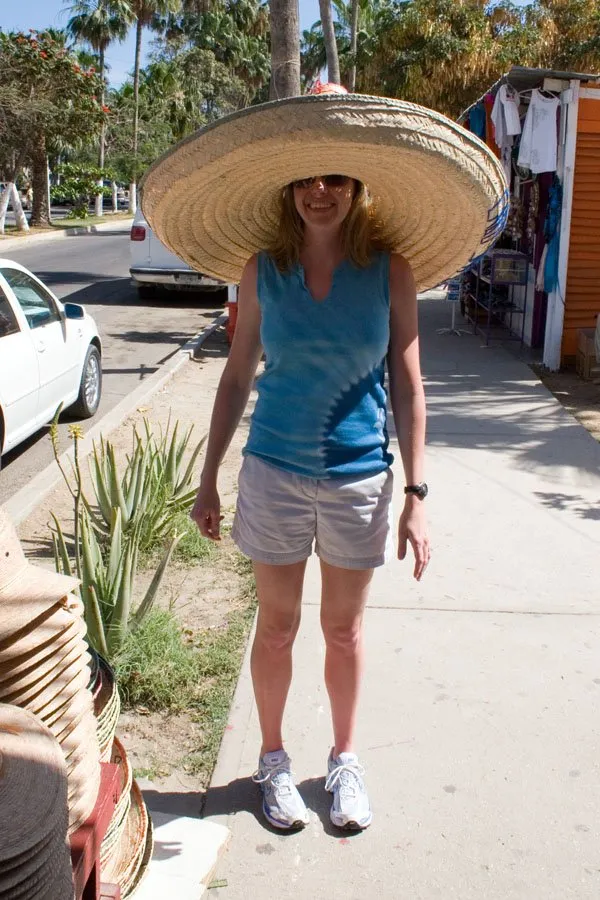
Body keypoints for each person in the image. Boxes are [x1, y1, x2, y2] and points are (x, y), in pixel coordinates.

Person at [140, 88, 507, 834]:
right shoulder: (259, 269)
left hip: (360, 480)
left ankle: (343, 760)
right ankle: (272, 760)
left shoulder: (390, 270)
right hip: (272, 472)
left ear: (357, 185)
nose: (319, 191)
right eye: (307, 178)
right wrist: (208, 476)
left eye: (335, 178)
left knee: (344, 631)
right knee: (276, 627)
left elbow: (408, 382)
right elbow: (238, 374)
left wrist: (418, 492)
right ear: (287, 186)